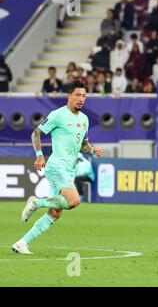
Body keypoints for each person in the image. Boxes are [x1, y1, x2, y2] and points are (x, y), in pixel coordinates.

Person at [12, 80, 103, 255]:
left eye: (84, 96)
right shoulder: (57, 115)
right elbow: (36, 133)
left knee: (55, 213)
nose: (81, 99)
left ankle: (22, 243)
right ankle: (36, 202)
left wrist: (92, 149)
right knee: (74, 201)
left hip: (69, 169)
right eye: (77, 95)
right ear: (68, 96)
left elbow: (83, 144)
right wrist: (39, 156)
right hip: (56, 166)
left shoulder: (84, 119)